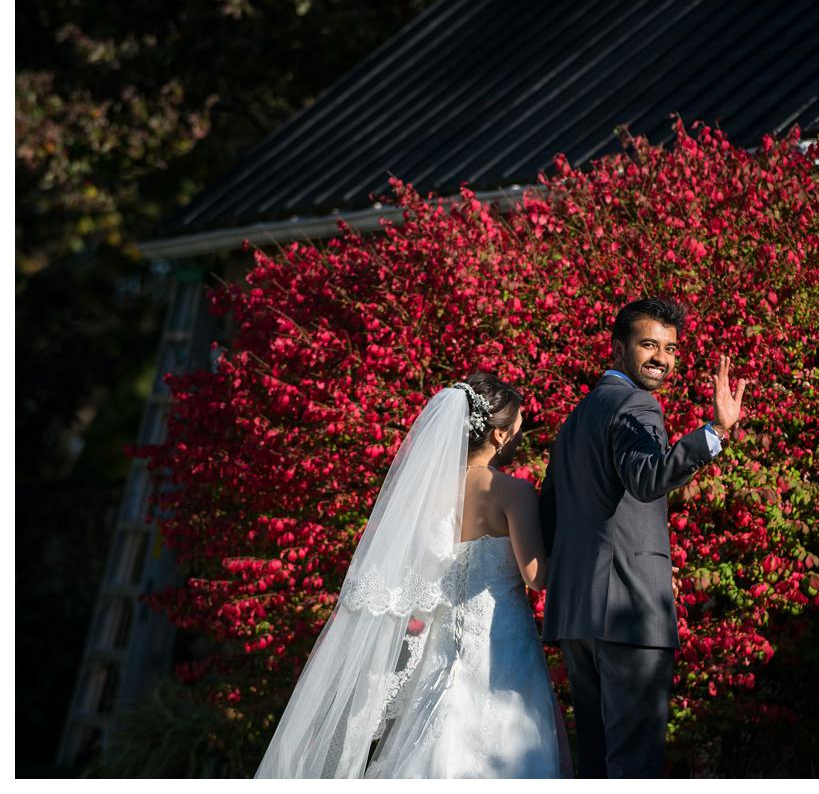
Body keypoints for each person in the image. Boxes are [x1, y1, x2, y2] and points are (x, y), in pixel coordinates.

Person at [257, 374, 567, 778]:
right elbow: (535, 576)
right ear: (498, 434)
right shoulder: (513, 492)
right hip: (501, 638)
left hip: (441, 643)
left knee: (434, 734)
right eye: (518, 425)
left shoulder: (427, 492)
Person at [539, 298, 747, 777]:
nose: (662, 358)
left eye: (671, 348)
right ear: (617, 348)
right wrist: (715, 430)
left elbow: (549, 509)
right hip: (629, 611)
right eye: (649, 344)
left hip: (576, 616)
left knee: (594, 763)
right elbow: (647, 478)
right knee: (635, 765)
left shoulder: (574, 420)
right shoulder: (637, 404)